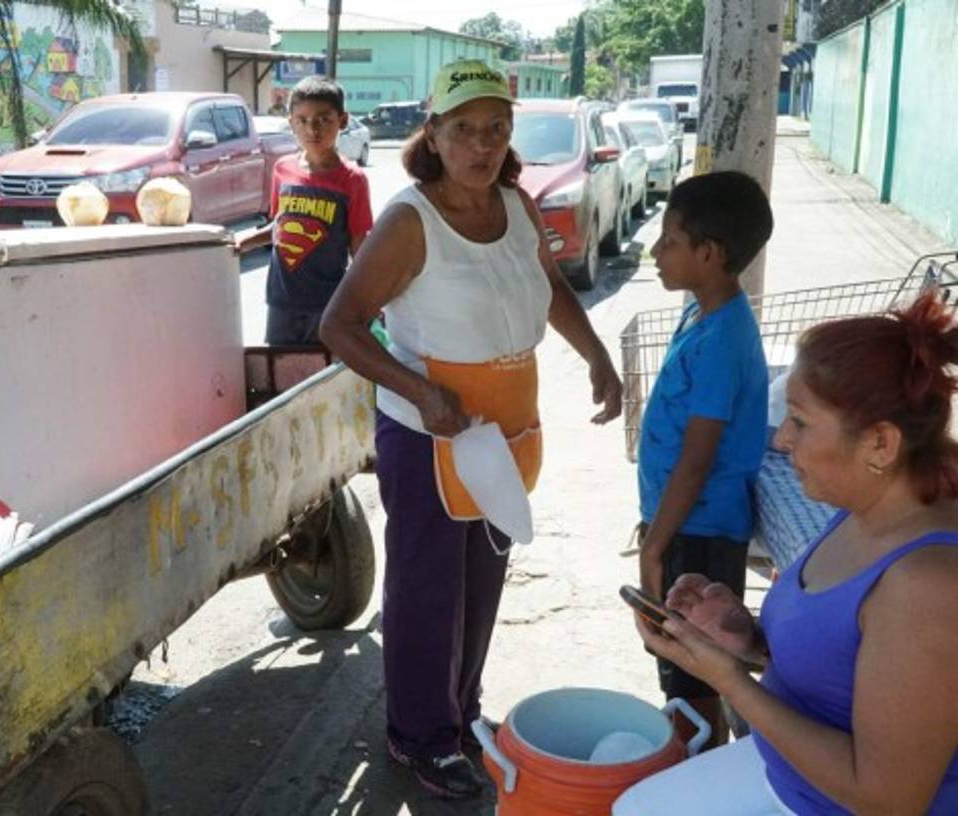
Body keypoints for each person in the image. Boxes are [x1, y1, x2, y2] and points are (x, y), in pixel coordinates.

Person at [319, 59, 623, 799]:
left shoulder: (516, 205)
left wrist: (597, 357)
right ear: (435, 133)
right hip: (430, 435)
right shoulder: (408, 220)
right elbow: (341, 326)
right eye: (464, 131)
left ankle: (460, 716)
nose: (481, 146)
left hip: (505, 430)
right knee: (428, 590)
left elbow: (550, 290)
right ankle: (418, 737)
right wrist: (419, 391)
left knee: (482, 579)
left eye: (496, 130)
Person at [617, 291, 958, 815]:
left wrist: (728, 679)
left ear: (881, 445)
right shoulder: (863, 510)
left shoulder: (926, 585)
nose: (780, 441)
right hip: (787, 776)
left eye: (798, 421)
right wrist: (744, 639)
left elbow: (890, 800)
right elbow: (849, 668)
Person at [635, 171, 775, 747]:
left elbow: (697, 460)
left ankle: (696, 768)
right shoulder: (701, 313)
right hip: (683, 524)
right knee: (683, 670)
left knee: (694, 678)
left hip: (697, 533)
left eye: (669, 240)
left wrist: (653, 548)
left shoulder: (722, 339)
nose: (655, 251)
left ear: (709, 254)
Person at [236, 75, 372, 345]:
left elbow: (359, 245)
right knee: (280, 375)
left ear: (343, 121)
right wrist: (246, 241)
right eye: (302, 120)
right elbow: (283, 225)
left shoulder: (353, 179)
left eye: (324, 119)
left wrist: (370, 300)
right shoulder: (282, 169)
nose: (313, 130)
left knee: (323, 380)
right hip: (281, 302)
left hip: (328, 304)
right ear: (291, 124)